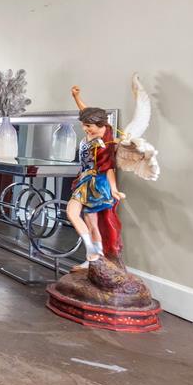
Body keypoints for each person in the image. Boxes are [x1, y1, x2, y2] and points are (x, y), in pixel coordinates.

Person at [67, 86, 125, 270]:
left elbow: (109, 168)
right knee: (85, 219)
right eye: (84, 125)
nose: (85, 129)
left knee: (83, 217)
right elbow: (86, 112)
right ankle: (93, 253)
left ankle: (93, 253)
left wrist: (113, 188)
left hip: (96, 183)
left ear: (100, 126)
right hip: (84, 181)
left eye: (88, 126)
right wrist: (77, 97)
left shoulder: (104, 143)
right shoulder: (94, 130)